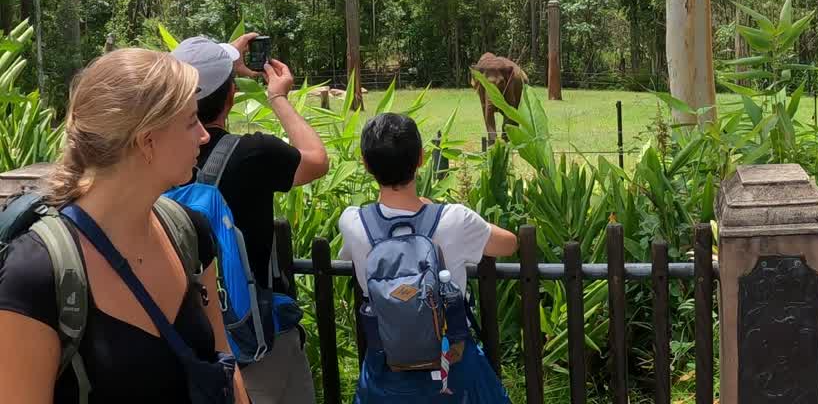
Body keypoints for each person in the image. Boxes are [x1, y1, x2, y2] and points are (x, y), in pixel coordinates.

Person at [0, 48, 250, 402]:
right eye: (191, 121)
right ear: (147, 142)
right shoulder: (37, 273)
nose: (204, 135)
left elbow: (222, 357)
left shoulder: (188, 231)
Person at [173, 34, 329, 403]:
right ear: (231, 95)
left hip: (186, 339)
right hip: (254, 346)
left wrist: (213, 61)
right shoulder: (252, 154)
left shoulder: (152, 158)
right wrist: (278, 97)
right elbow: (316, 159)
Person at [339, 113, 518, 404]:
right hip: (452, 361)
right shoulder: (454, 219)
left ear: (366, 164)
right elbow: (509, 244)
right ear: (421, 158)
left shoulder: (353, 223)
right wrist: (434, 208)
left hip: (386, 365)